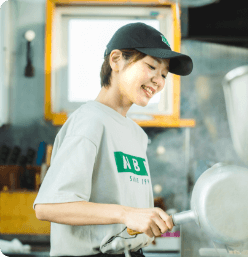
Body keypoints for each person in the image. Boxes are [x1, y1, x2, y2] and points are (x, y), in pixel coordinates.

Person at [33, 22, 193, 257]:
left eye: (164, 75)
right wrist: (126, 214)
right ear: (116, 60)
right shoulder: (90, 121)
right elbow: (48, 206)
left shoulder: (136, 134)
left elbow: (131, 217)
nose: (159, 81)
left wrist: (146, 221)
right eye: (151, 66)